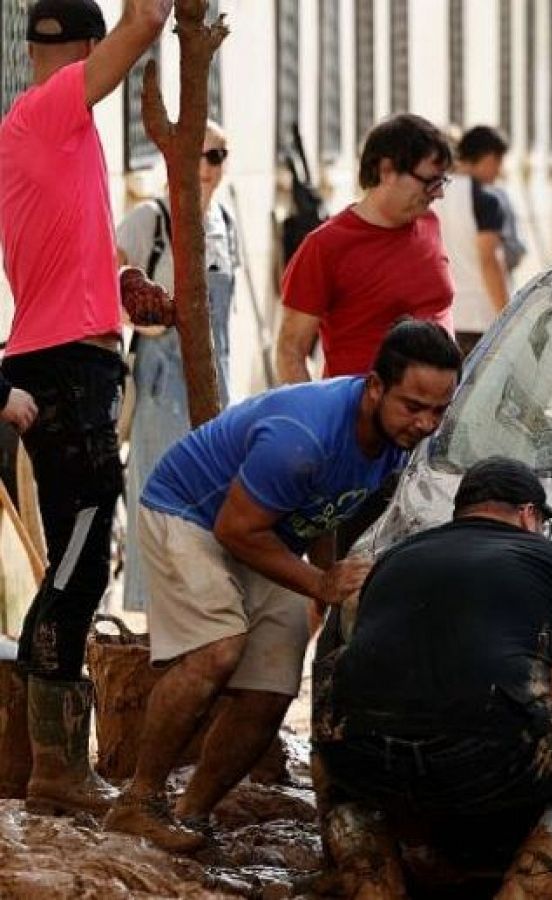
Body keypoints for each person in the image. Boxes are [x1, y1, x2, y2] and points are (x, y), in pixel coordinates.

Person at [103, 320, 461, 852]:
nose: (426, 423)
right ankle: (139, 801)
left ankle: (190, 813)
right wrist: (321, 583)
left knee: (272, 689)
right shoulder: (303, 437)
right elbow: (234, 528)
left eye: (438, 410)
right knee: (218, 651)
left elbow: (326, 508)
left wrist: (330, 575)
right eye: (414, 406)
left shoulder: (392, 437)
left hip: (265, 530)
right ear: (374, 387)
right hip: (190, 513)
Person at [314, 456, 552, 898]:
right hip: (484, 753)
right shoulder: (550, 560)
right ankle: (528, 887)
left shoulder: (395, 557)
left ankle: (373, 882)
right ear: (530, 515)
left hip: (362, 754)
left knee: (334, 731)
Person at [0, 0, 172, 817]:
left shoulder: (53, 131)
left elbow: (73, 244)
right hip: (63, 368)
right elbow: (144, 25)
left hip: (77, 358)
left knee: (83, 552)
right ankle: (53, 762)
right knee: (77, 558)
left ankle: (54, 754)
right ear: (83, 52)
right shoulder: (49, 107)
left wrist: (123, 285)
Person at [116, 120, 240, 613]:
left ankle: (204, 613)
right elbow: (109, 282)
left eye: (218, 156)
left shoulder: (226, 224)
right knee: (159, 495)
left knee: (212, 497)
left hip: (217, 383)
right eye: (198, 155)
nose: (207, 168)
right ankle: (154, 623)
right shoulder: (150, 219)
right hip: (161, 387)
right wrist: (144, 318)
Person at [276, 114, 455, 383]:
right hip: (363, 417)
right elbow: (290, 352)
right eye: (430, 181)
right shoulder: (325, 246)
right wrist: (318, 421)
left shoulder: (430, 223)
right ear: (387, 171)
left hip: (440, 415)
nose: (438, 194)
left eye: (442, 182)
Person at [440, 124, 513, 357]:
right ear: (489, 157)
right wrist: (508, 315)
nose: (498, 172)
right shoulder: (486, 200)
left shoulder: (433, 193)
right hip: (480, 319)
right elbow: (489, 260)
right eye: (499, 162)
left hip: (443, 317)